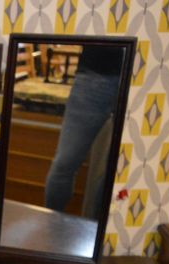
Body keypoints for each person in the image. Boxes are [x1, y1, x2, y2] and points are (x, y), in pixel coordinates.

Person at [44, 45, 123, 217]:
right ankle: (50, 223)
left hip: (142, 76)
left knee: (116, 171)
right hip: (94, 72)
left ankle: (98, 227)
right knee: (64, 163)